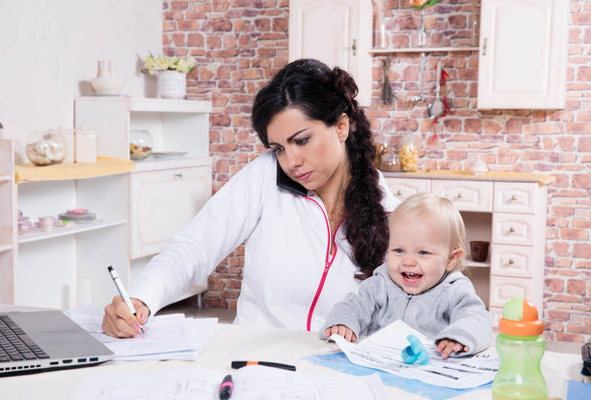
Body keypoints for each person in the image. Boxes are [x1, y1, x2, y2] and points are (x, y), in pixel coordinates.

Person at [102, 58, 400, 338]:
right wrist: (141, 297)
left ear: (341, 127)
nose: (291, 161)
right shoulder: (266, 176)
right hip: (256, 364)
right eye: (279, 148)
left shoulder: (390, 212)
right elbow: (195, 246)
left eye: (302, 140)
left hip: (334, 373)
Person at [321, 192, 492, 359]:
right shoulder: (380, 283)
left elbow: (476, 318)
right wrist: (343, 323)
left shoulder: (454, 290)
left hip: (428, 372)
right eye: (399, 250)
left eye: (423, 252)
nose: (408, 261)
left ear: (451, 258)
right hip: (380, 366)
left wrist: (457, 337)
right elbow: (353, 306)